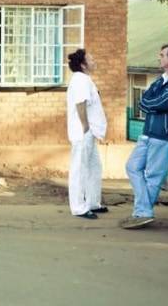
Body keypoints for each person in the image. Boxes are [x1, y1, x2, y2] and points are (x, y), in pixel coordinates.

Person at [121, 44, 168, 229]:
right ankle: (143, 211)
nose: (158, 58)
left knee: (153, 176)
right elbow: (143, 101)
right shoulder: (162, 79)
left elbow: (161, 103)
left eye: (162, 55)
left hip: (166, 135)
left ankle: (142, 213)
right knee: (132, 167)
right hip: (148, 133)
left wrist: (152, 105)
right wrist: (152, 105)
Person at [66, 49, 108, 220]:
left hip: (88, 132)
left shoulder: (84, 79)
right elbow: (80, 103)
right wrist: (85, 126)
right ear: (83, 65)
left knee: (94, 167)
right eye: (90, 58)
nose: (93, 60)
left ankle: (92, 203)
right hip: (83, 132)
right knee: (79, 169)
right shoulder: (81, 80)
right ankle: (78, 207)